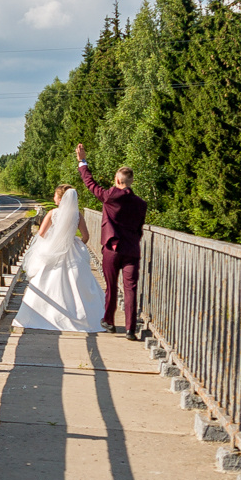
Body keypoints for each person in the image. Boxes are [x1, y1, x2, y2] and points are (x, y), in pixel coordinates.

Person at [76, 143, 148, 336]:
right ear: (131, 181)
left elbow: (90, 184)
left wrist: (83, 162)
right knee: (130, 288)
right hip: (132, 250)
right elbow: (139, 227)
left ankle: (108, 320)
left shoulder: (110, 197)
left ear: (117, 179)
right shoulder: (141, 204)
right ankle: (130, 329)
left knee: (112, 286)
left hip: (112, 248)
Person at [12, 184, 106, 332]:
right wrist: (75, 243)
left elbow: (41, 233)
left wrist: (54, 242)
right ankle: (82, 316)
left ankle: (45, 315)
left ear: (61, 198)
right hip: (72, 250)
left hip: (53, 251)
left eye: (55, 195)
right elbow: (86, 236)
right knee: (78, 283)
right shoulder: (77, 215)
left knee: (46, 280)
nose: (54, 198)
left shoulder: (53, 213)